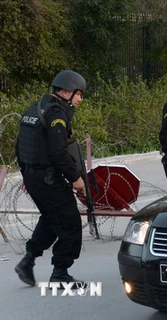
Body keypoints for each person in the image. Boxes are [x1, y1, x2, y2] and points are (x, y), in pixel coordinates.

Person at [14, 70, 87, 288]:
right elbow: (58, 153)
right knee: (70, 224)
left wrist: (27, 174)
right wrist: (75, 178)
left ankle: (28, 260)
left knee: (51, 218)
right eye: (78, 94)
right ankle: (60, 274)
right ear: (66, 92)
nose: (79, 99)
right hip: (48, 178)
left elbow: (21, 146)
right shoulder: (56, 114)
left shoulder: (35, 109)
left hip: (33, 175)